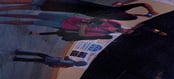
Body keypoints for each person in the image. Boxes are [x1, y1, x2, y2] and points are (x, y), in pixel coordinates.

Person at [0, 12, 133, 40]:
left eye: (126, 32)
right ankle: (7, 14)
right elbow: (100, 17)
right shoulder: (116, 24)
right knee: (39, 15)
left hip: (65, 25)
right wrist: (98, 20)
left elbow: (82, 34)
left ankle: (4, 21)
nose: (125, 30)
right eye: (128, 30)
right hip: (71, 18)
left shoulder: (105, 34)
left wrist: (84, 25)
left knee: (35, 22)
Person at [0, 0, 156, 20]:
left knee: (31, 3)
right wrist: (145, 11)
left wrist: (147, 10)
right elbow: (137, 6)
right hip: (64, 6)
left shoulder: (107, 11)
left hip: (64, 4)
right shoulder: (104, 12)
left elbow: (139, 5)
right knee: (31, 5)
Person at [12, 50, 87, 67]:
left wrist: (67, 58)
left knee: (36, 55)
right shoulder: (72, 64)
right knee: (33, 59)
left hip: (50, 59)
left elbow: (62, 61)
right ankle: (18, 57)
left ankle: (19, 54)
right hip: (49, 61)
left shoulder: (71, 63)